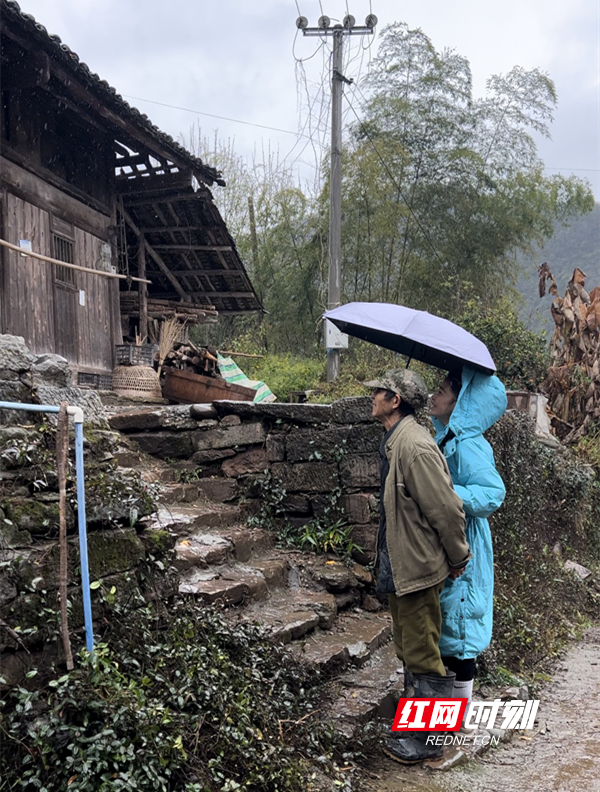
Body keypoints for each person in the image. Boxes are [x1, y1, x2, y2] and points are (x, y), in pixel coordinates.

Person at [366, 369, 471, 764]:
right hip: (401, 562)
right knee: (410, 648)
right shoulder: (396, 441)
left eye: (380, 391)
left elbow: (446, 509)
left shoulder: (415, 446)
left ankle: (430, 741)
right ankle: (416, 727)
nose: (372, 396)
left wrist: (458, 556)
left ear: (396, 401)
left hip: (417, 566)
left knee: (424, 653)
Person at [429, 367, 507, 727]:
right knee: (448, 630)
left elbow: (493, 494)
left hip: (467, 542)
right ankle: (447, 719)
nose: (435, 395)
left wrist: (447, 495)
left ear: (460, 403)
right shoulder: (447, 437)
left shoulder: (470, 443)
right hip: (451, 540)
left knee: (460, 633)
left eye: (443, 390)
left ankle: (453, 725)